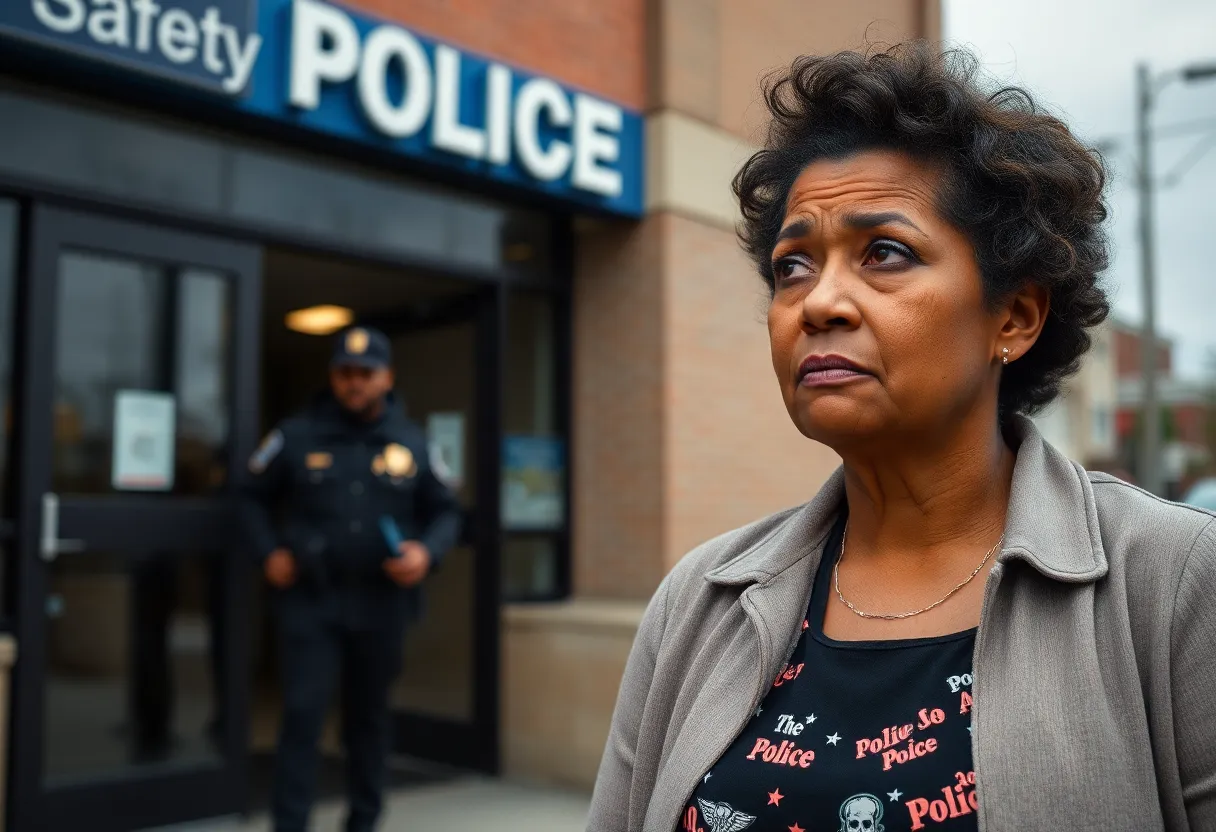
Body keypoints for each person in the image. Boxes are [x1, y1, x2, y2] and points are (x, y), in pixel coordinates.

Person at [588, 44, 1216, 832]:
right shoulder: (699, 600)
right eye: (793, 266)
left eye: (884, 253)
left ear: (1014, 318)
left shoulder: (1173, 583)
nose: (819, 303)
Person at [240, 325, 462, 832]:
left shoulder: (414, 443)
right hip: (310, 601)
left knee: (369, 721)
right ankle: (289, 823)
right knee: (301, 717)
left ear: (387, 377)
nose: (354, 382)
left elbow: (447, 513)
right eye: (345, 372)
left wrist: (426, 553)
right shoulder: (295, 436)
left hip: (382, 604)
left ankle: (364, 819)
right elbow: (248, 498)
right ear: (332, 377)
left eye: (366, 373)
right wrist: (267, 552)